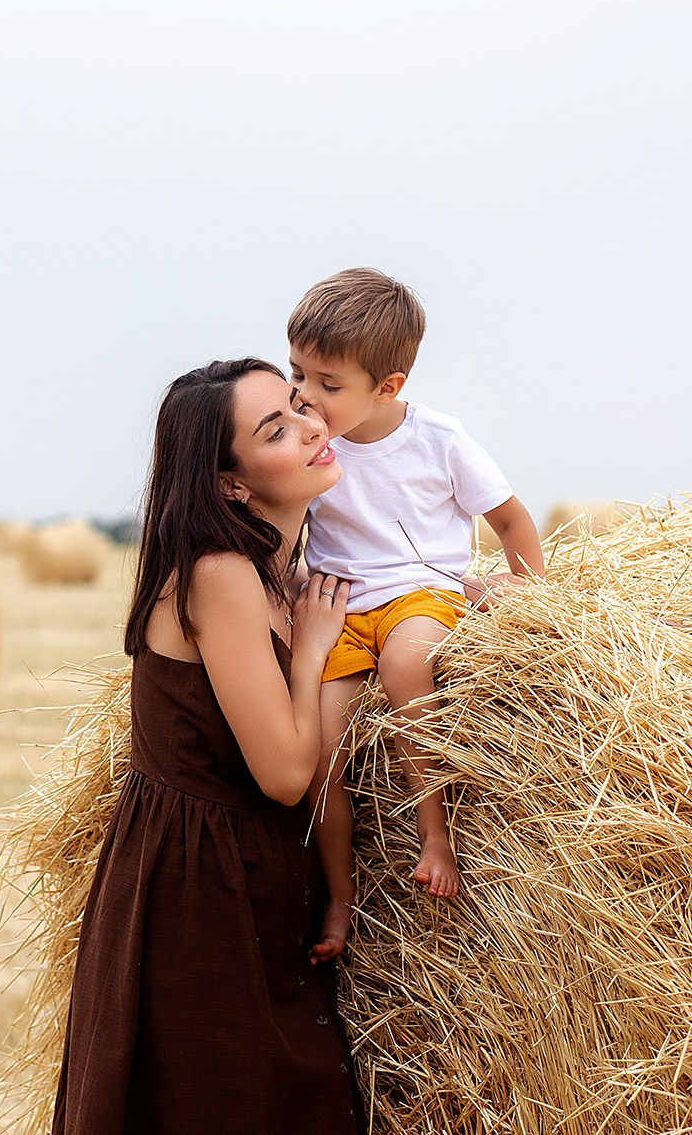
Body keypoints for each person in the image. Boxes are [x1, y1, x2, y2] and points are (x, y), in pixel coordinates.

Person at [54, 358, 364, 1135]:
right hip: (196, 898)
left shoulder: (275, 571)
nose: (312, 428)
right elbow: (289, 773)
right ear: (230, 482)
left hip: (245, 877)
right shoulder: (221, 575)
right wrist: (312, 650)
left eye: (301, 407)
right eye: (277, 429)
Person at [286, 268, 545, 964]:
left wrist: (531, 596)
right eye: (297, 373)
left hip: (420, 593)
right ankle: (339, 896)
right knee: (320, 746)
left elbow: (512, 518)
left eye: (327, 383)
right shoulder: (308, 449)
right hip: (338, 609)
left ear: (388, 387)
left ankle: (435, 833)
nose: (305, 394)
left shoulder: (439, 440)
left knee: (407, 664)